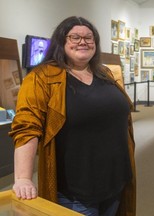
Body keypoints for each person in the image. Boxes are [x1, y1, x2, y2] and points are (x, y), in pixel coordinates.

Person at [9, 16, 136, 216]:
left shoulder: (106, 74)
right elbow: (27, 127)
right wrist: (23, 178)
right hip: (76, 193)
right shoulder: (41, 78)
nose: (83, 41)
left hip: (117, 181)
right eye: (74, 37)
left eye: (88, 37)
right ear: (61, 41)